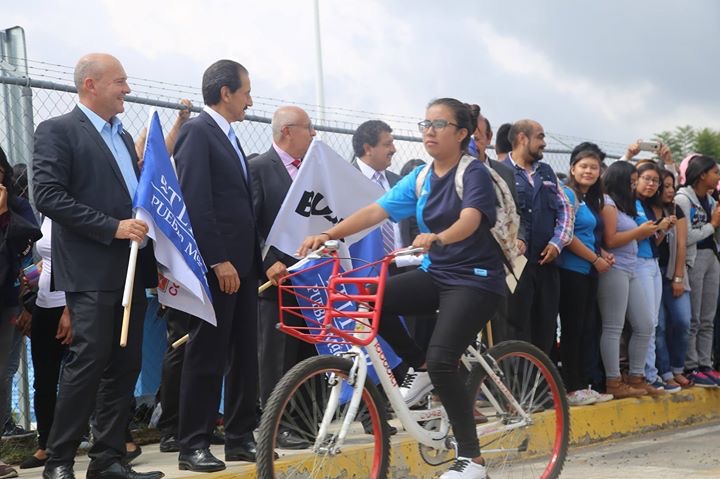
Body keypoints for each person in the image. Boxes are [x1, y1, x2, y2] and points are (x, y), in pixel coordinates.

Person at [299, 98, 504, 479]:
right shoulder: (422, 177)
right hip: (437, 274)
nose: (429, 130)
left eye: (439, 123)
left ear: (461, 134)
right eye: (426, 122)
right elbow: (376, 210)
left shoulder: (472, 173)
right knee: (373, 298)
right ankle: (419, 364)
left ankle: (472, 459)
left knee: (446, 360)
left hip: (474, 279)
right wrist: (328, 233)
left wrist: (438, 238)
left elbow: (472, 219)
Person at [32, 53, 161, 479]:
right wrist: (112, 228)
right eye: (120, 81)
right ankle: (60, 460)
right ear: (91, 84)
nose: (127, 89)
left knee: (125, 363)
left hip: (130, 268)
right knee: (88, 361)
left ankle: (108, 459)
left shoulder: (123, 138)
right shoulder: (58, 130)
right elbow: (47, 195)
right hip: (91, 267)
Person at [173, 59, 261, 472]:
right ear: (225, 92)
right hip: (219, 265)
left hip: (243, 265)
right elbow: (196, 200)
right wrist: (217, 258)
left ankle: (240, 437)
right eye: (245, 91)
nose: (249, 100)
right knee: (207, 354)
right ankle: (193, 443)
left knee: (245, 352)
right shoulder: (197, 132)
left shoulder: (229, 136)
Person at [250, 105, 317, 449]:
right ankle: (275, 423)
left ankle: (304, 420)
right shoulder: (259, 168)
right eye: (309, 127)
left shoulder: (311, 171)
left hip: (310, 278)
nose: (314, 133)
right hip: (275, 279)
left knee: (306, 351)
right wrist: (267, 260)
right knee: (277, 354)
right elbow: (250, 221)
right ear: (288, 131)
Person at [503, 119, 573, 355]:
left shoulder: (547, 172)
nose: (544, 143)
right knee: (517, 330)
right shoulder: (501, 172)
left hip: (547, 266)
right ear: (522, 138)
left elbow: (565, 209)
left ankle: (541, 388)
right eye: (540, 137)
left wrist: (557, 242)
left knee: (546, 330)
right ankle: (515, 388)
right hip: (516, 268)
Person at [555, 148, 614, 406]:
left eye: (594, 167)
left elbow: (589, 235)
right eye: (584, 166)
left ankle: (581, 385)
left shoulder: (588, 198)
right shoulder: (568, 194)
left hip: (588, 271)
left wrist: (601, 254)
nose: (589, 171)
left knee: (584, 329)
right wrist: (595, 259)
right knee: (572, 330)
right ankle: (571, 388)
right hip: (572, 271)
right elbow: (567, 235)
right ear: (572, 169)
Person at [596, 162, 657, 398]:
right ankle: (614, 381)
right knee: (613, 327)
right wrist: (640, 233)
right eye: (631, 182)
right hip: (614, 269)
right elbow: (610, 240)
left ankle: (636, 377)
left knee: (645, 325)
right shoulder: (608, 204)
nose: (634, 187)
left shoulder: (622, 205)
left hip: (630, 270)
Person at [17, 216, 72, 470]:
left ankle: (113, 439)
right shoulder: (44, 213)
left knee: (83, 376)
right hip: (44, 304)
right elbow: (49, 260)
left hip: (71, 303)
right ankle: (46, 445)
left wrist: (71, 311)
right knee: (44, 380)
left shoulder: (75, 206)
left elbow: (77, 261)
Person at [0, 146, 41, 479]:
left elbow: (21, 258)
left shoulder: (18, 208)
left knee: (5, 372)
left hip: (10, 301)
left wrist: (27, 304)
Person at [675, 155, 720, 387]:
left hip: (711, 257)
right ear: (702, 174)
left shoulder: (711, 200)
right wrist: (712, 225)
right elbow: (687, 237)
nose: (718, 177)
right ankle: (691, 366)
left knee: (707, 317)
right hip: (693, 260)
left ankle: (705, 364)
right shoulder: (683, 199)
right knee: (693, 317)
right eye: (715, 172)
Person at [633, 161, 673, 393]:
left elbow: (651, 240)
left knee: (654, 322)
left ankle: (651, 373)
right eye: (646, 179)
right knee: (647, 322)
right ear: (635, 179)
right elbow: (635, 236)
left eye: (655, 181)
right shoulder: (630, 203)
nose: (651, 184)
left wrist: (663, 229)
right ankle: (648, 374)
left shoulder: (647, 206)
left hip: (653, 262)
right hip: (637, 264)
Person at [654, 170, 692, 389]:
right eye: (665, 186)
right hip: (650, 271)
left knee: (682, 320)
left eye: (672, 186)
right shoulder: (647, 209)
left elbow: (681, 245)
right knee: (658, 325)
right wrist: (660, 228)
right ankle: (666, 372)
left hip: (672, 273)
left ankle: (678, 367)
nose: (670, 191)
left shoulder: (676, 209)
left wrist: (678, 277)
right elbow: (651, 244)